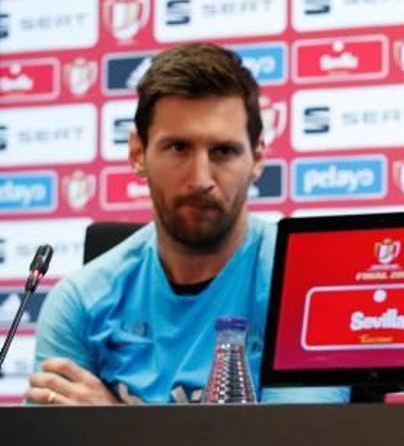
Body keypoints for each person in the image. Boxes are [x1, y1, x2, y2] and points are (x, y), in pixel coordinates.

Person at [26, 44, 349, 405]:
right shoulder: (81, 302)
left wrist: (116, 426)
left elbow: (302, 439)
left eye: (223, 151)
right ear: (137, 153)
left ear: (257, 158)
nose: (200, 178)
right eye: (178, 148)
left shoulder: (304, 289)